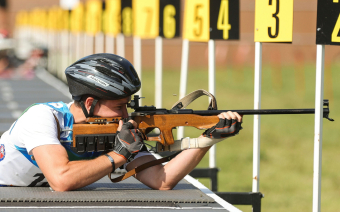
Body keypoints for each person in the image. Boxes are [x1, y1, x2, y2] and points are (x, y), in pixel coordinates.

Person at [0, 53, 243, 191]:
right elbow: (62, 180)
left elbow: (162, 179)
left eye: (126, 105)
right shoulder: (43, 117)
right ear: (89, 103)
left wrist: (208, 139)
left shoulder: (114, 130)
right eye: (118, 107)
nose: (126, 115)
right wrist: (118, 155)